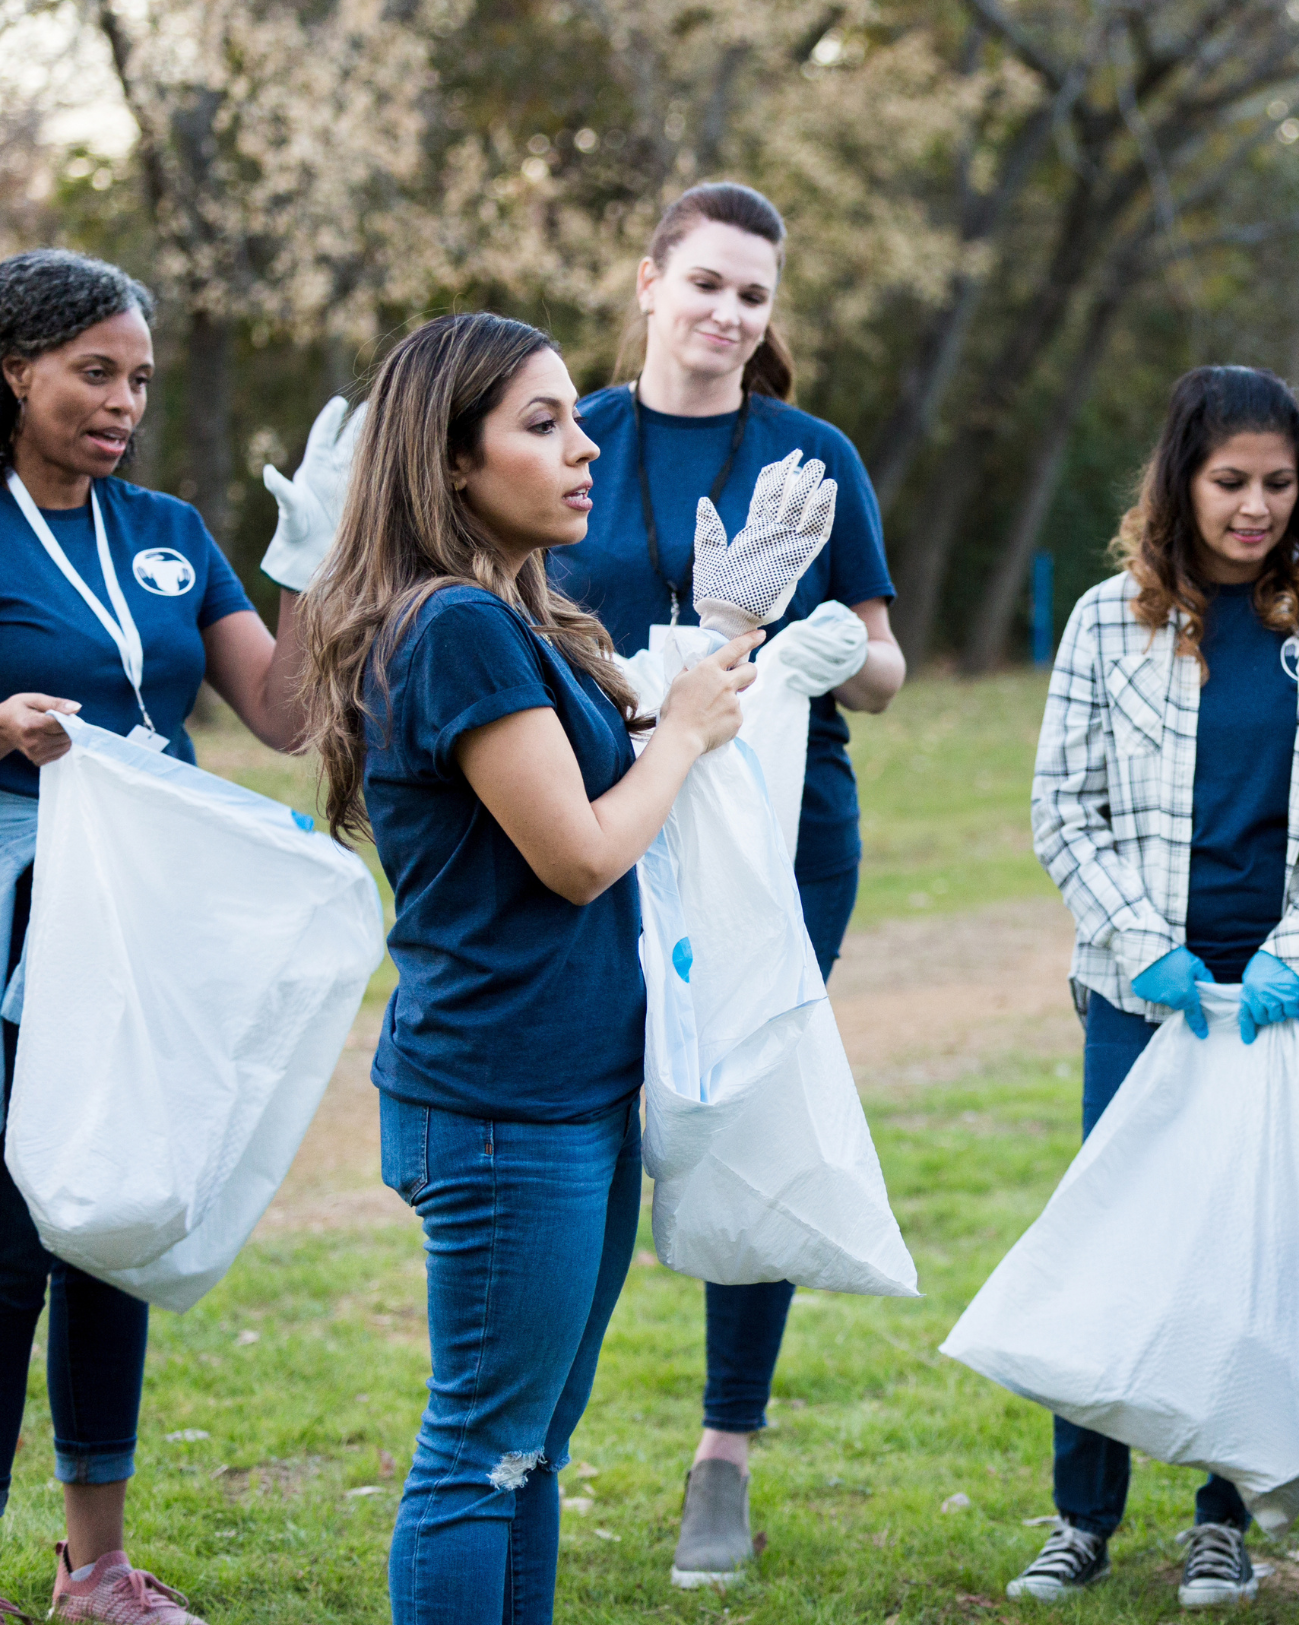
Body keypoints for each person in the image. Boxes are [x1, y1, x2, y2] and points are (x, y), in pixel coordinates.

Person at [296, 311, 789, 1623]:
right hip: (506, 1104)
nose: (583, 449)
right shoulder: (454, 626)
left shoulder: (523, 617)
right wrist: (679, 734)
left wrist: (728, 633)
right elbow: (578, 855)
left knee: (530, 1451)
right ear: (451, 463)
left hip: (571, 1086)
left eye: (575, 418)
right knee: (482, 1452)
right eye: (541, 423)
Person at [537, 180, 905, 1589]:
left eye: (754, 295)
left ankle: (723, 1459)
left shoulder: (809, 453)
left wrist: (789, 626)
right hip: (616, 814)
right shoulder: (574, 439)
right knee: (601, 1113)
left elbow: (885, 665)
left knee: (741, 1098)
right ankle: (540, 1433)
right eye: (705, 284)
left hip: (776, 833)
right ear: (647, 284)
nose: (729, 315)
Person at [1023, 364, 1299, 1608]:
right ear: (1180, 478)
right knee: (1122, 1239)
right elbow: (1061, 807)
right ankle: (1082, 1513)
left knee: (1246, 1251)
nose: (1254, 508)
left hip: (1284, 994)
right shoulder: (1102, 620)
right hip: (1142, 994)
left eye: (1278, 484)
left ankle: (1221, 1513)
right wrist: (1139, 944)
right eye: (1231, 481)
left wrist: (1295, 952)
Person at [0, 248, 313, 1624]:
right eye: (94, 373)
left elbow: (287, 713)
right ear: (16, 371)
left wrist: (308, 559)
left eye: (137, 377)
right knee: (12, 1248)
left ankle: (99, 1569)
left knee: (112, 1227)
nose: (122, 400)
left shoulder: (170, 525)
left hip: (149, 931)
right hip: (20, 927)